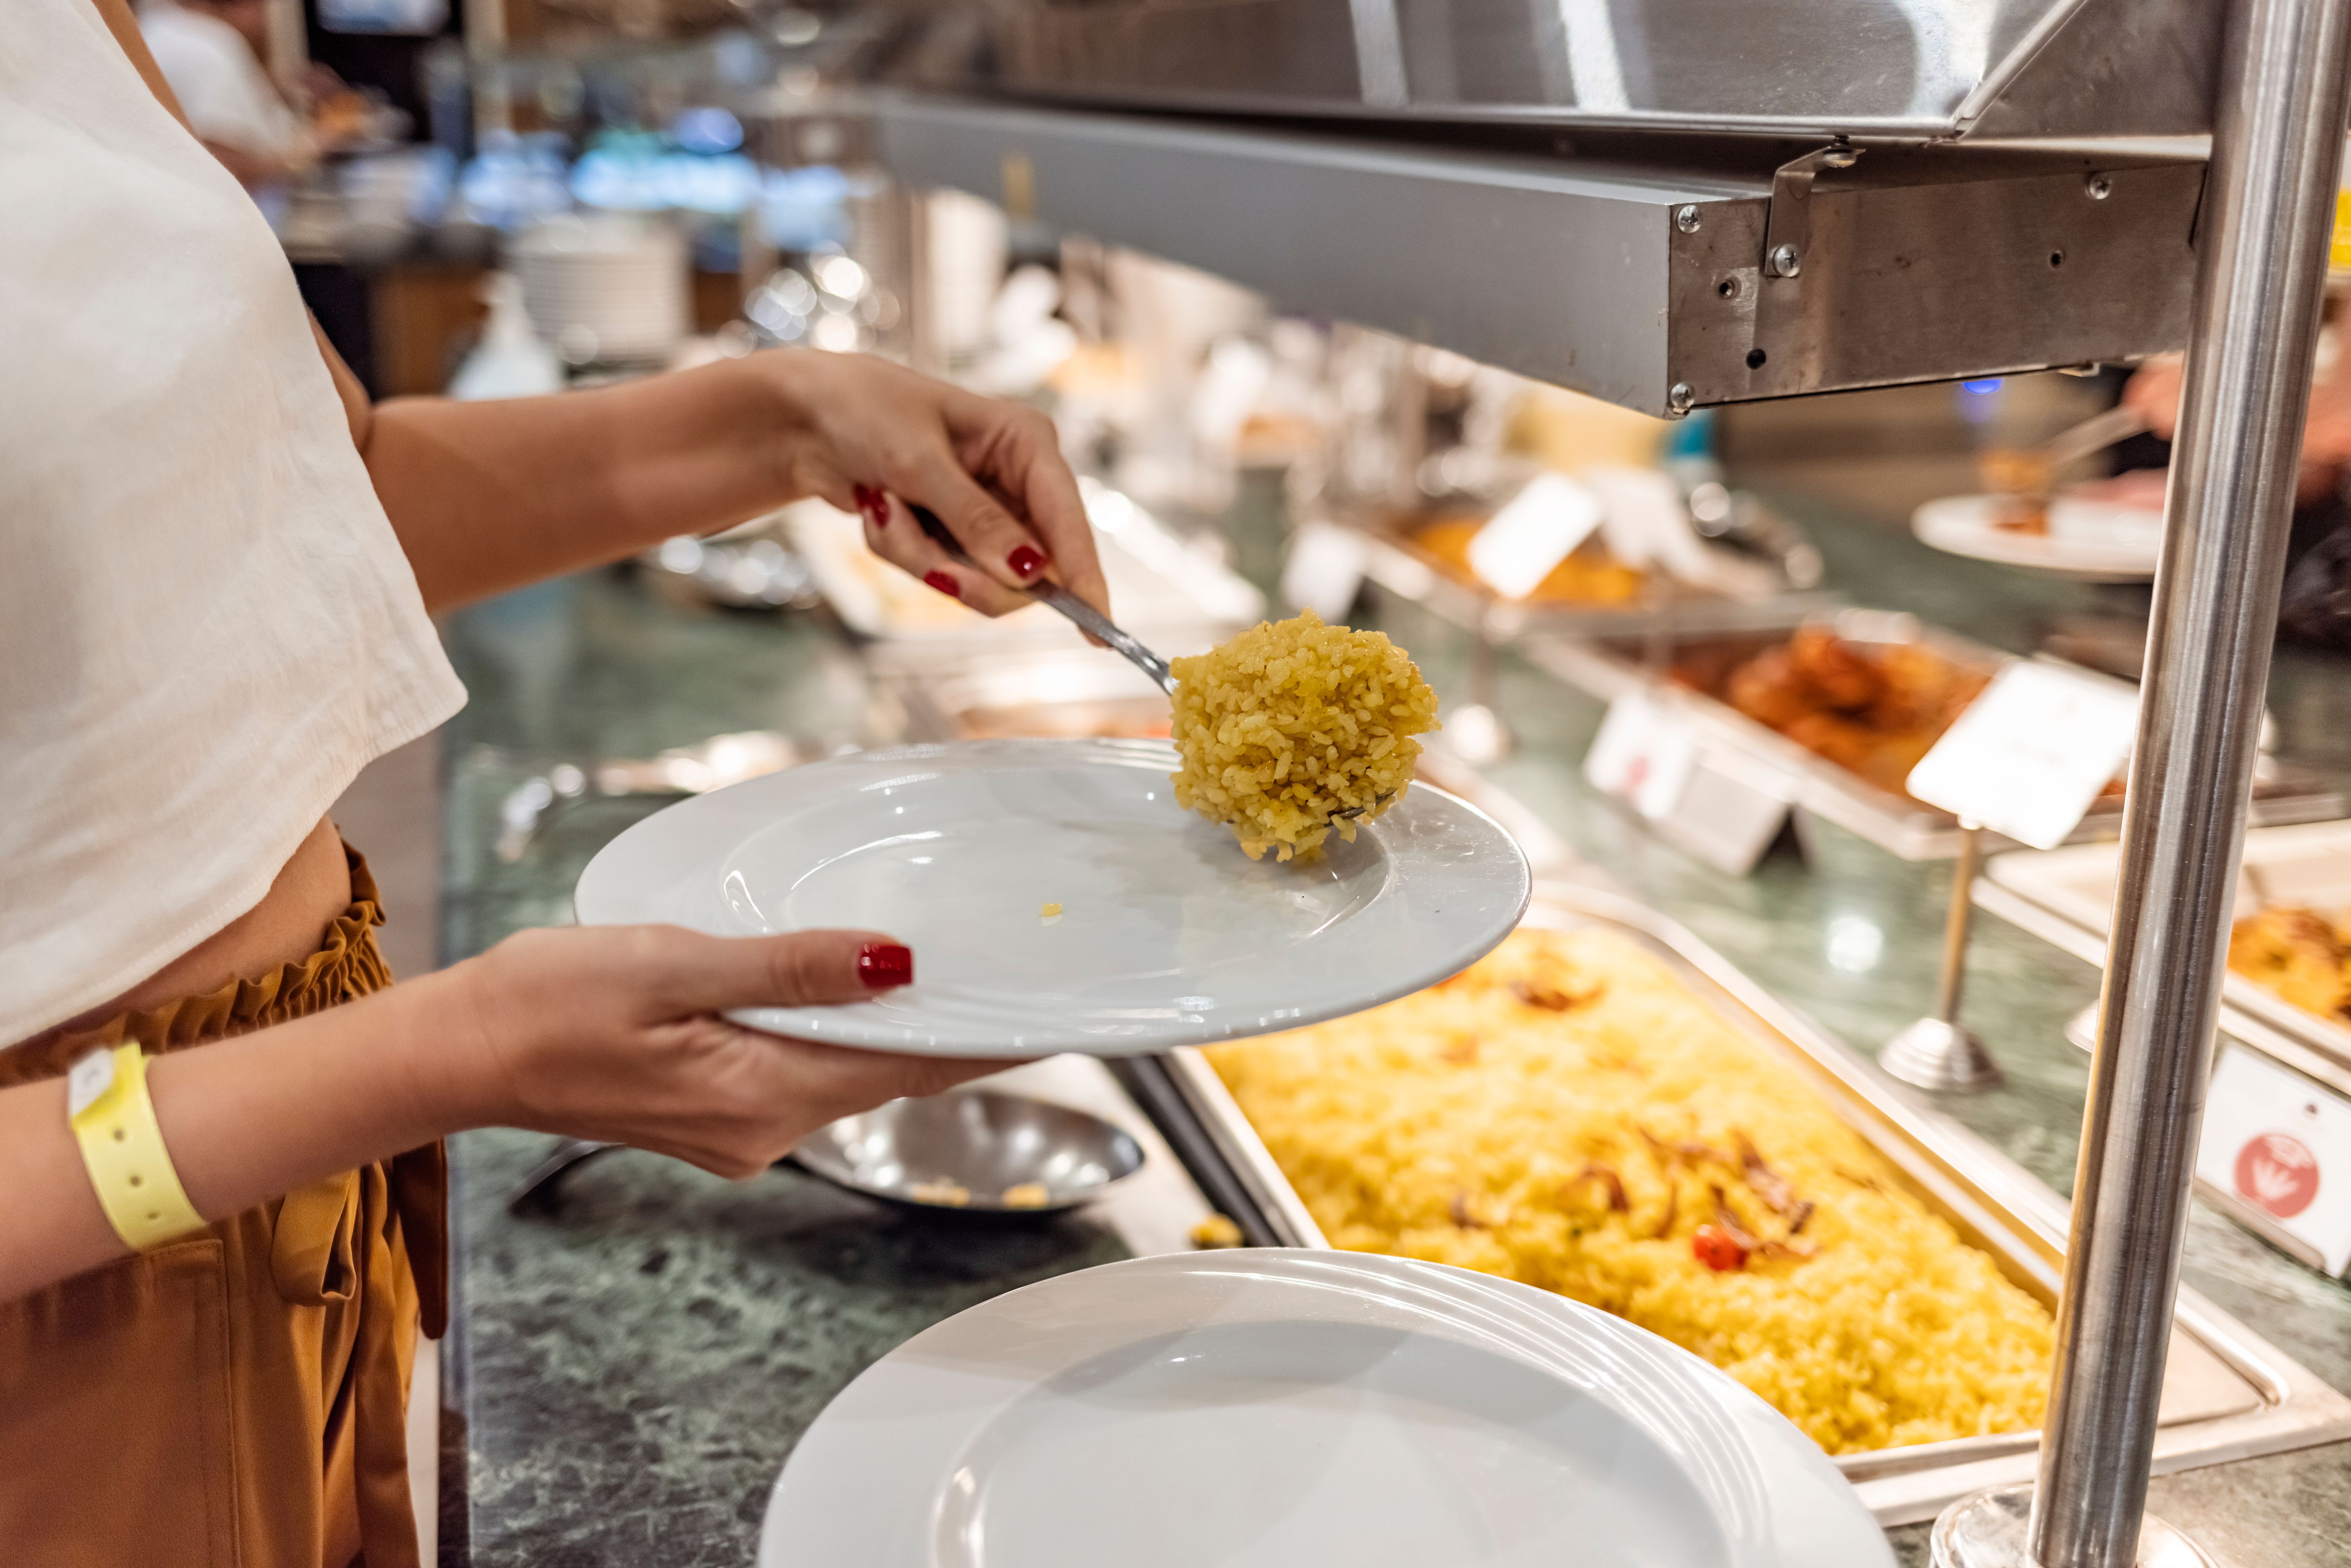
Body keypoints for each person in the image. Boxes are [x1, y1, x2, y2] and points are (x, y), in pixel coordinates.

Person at [0, 3, 1110, 1565]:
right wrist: (429, 1058)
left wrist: (788, 419)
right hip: (63, 1312)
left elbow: (298, 500)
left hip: (280, 1193)